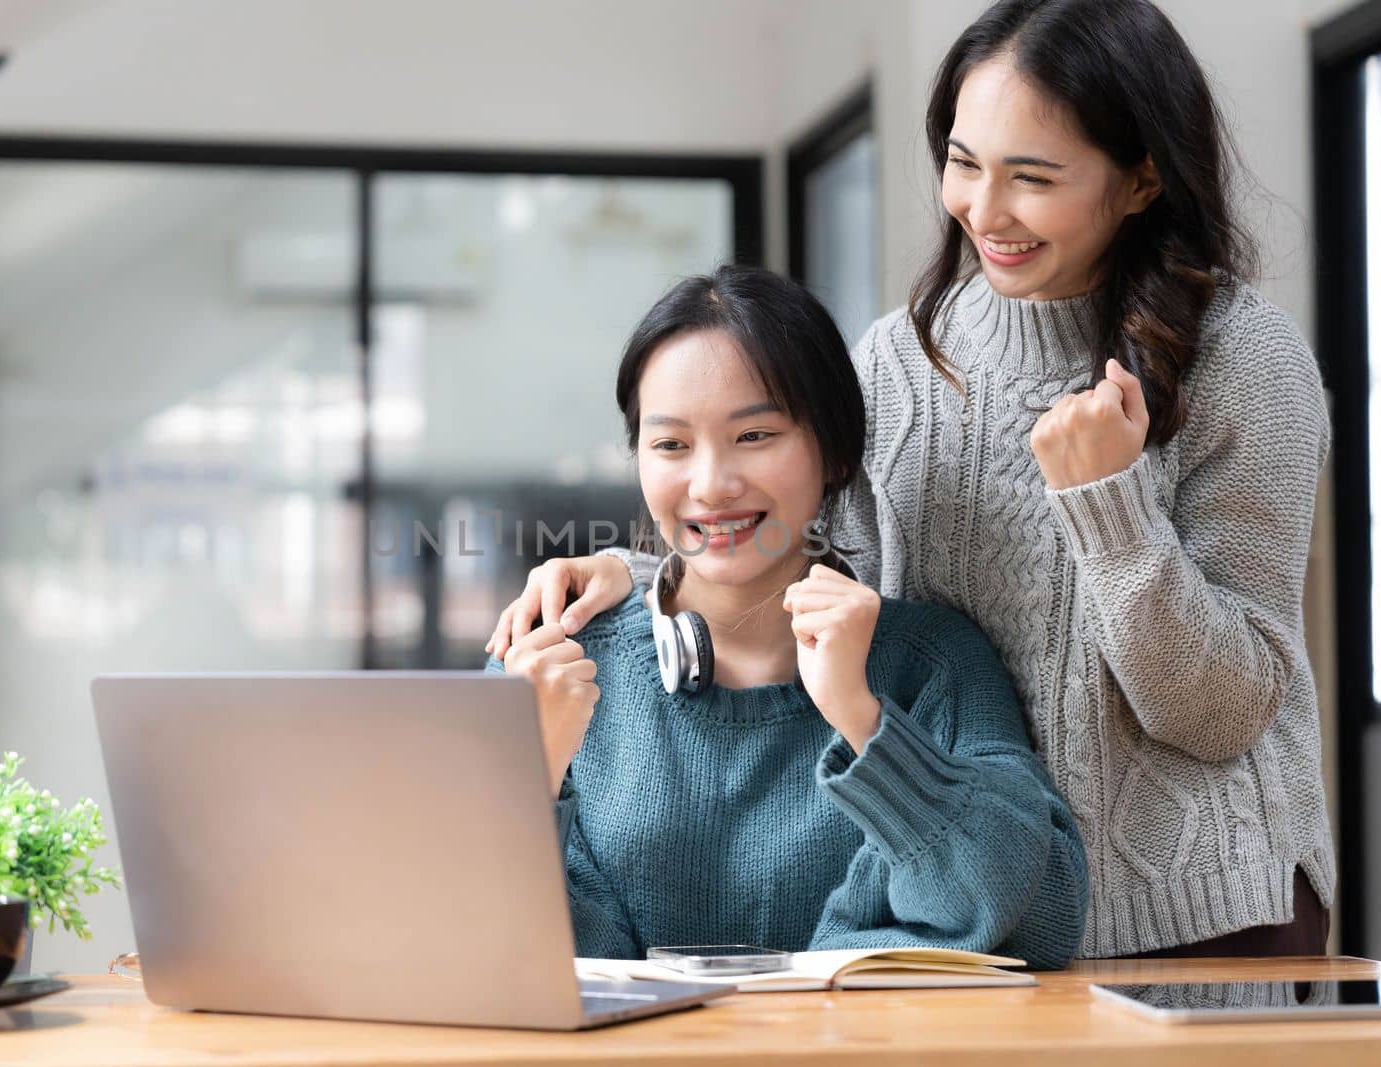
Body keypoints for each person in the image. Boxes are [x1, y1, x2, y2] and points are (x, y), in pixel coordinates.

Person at [487, 0, 1332, 959]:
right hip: (965, 904)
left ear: (1141, 180)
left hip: (1194, 908)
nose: (982, 208)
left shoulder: (1240, 360)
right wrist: (637, 584)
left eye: (1033, 177)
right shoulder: (898, 361)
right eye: (964, 163)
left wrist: (1111, 505)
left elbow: (1220, 711)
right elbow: (792, 547)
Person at [487, 265, 1087, 968]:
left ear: (832, 451)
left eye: (754, 435)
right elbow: (488, 955)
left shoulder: (931, 663)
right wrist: (534, 778)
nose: (711, 485)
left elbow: (1043, 920)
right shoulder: (546, 665)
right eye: (671, 445)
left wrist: (866, 724)